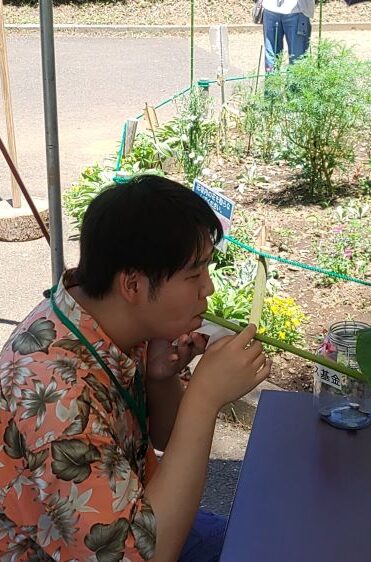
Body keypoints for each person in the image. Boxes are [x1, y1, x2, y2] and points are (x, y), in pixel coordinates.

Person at [0, 175, 271, 560]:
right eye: (194, 274)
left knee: (261, 541)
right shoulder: (56, 395)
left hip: (137, 509)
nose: (207, 288)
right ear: (132, 285)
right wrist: (205, 396)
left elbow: (166, 438)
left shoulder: (110, 317)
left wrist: (161, 383)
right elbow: (140, 556)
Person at [262, 0, 315, 72]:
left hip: (297, 10)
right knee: (271, 57)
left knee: (297, 59)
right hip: (270, 9)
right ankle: (272, 82)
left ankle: (294, 83)